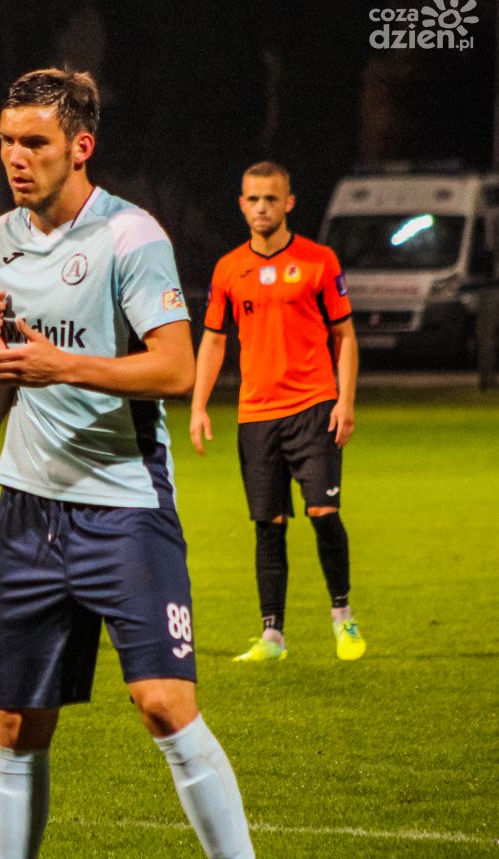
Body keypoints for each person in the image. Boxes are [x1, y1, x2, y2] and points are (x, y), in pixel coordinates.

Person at [0, 69, 254, 859]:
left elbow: (176, 368)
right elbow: (3, 357)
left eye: (35, 142)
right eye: (7, 141)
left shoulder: (131, 236)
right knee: (17, 721)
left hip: (122, 503)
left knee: (163, 703)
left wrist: (64, 367)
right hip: (28, 509)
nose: (16, 158)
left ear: (81, 147)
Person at [190, 161, 364, 663]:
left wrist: (345, 401)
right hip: (256, 415)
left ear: (288, 203)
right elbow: (214, 341)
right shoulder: (229, 269)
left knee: (323, 513)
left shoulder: (318, 261)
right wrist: (199, 405)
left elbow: (344, 336)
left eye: (271, 198)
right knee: (268, 524)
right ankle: (273, 636)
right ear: (241, 204)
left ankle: (342, 615)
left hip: (314, 407)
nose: (262, 207)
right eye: (253, 199)